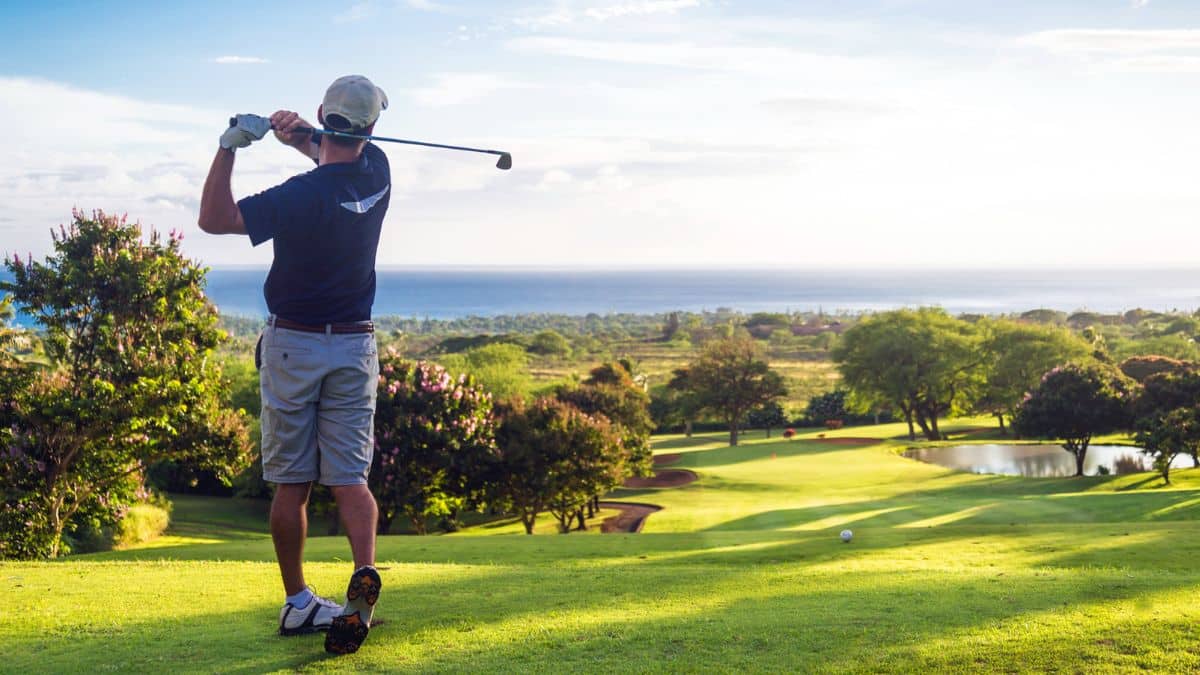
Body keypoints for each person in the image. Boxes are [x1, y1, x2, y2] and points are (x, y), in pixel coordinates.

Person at [198, 75, 391, 655]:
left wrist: (230, 144)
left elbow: (215, 218)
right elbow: (333, 152)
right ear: (372, 128)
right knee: (350, 479)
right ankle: (363, 580)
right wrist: (298, 137)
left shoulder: (296, 197)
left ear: (322, 115)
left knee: (292, 483)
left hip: (294, 346)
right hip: (355, 345)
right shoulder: (379, 170)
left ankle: (299, 603)